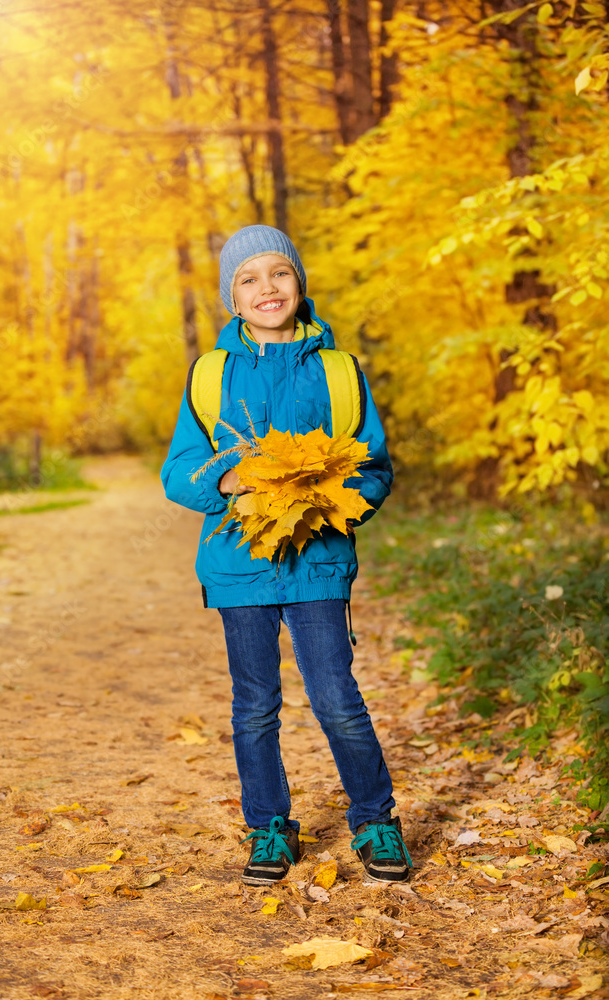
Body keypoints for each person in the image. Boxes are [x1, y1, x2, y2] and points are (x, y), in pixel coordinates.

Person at [161, 224, 412, 886]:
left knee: (334, 695)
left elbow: (374, 467)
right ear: (231, 298)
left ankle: (373, 817)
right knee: (255, 703)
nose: (265, 288)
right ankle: (269, 825)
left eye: (278, 273)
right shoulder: (210, 375)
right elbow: (178, 469)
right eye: (247, 279)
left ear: (298, 283)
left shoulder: (339, 371)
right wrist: (223, 479)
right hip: (238, 562)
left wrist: (333, 494)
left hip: (317, 561)